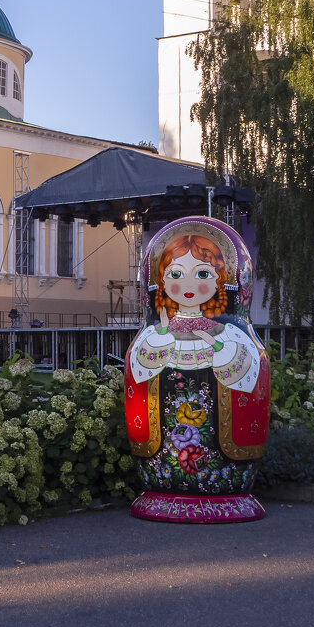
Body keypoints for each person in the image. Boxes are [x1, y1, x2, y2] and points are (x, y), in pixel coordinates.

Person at [124, 216, 270, 523]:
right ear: (160, 283)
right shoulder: (152, 334)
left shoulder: (233, 334)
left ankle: (229, 484)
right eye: (176, 274)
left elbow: (245, 377)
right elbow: (140, 371)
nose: (189, 285)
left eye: (203, 273)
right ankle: (160, 480)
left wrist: (219, 349)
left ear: (223, 282)